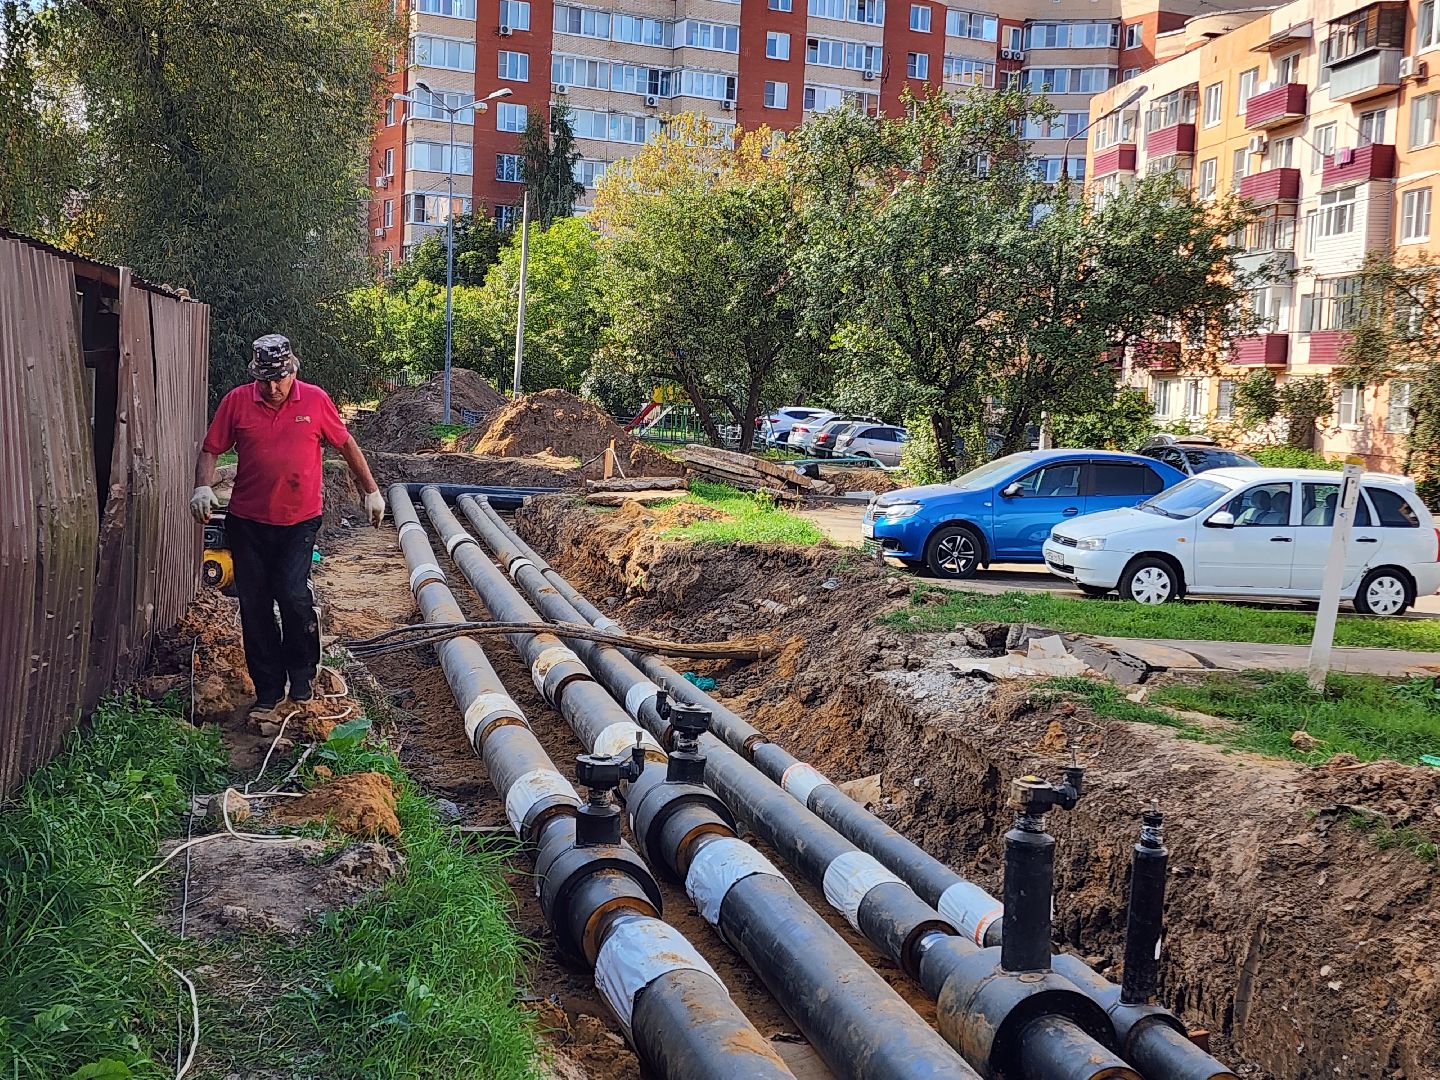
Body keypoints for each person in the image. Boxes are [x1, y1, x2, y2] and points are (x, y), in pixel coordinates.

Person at [190, 335, 385, 716]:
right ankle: (267, 688)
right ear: (255, 377)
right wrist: (201, 486)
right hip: (248, 521)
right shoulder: (237, 402)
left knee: (294, 595)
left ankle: (301, 674)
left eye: (279, 378)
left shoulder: (314, 400)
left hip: (299, 521)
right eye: (265, 380)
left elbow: (346, 445)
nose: (273, 387)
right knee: (255, 604)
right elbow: (212, 447)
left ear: (293, 369)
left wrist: (372, 491)